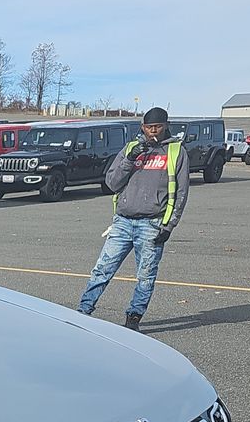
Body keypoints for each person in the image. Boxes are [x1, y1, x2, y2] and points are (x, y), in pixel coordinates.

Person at [77, 107, 190, 331]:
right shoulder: (130, 149)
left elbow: (182, 193)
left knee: (146, 275)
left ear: (165, 125)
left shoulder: (176, 152)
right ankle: (84, 310)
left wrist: (169, 225)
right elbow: (112, 183)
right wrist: (130, 158)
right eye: (148, 127)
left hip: (153, 223)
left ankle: (133, 318)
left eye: (157, 127)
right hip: (123, 221)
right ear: (142, 127)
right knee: (102, 269)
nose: (153, 131)